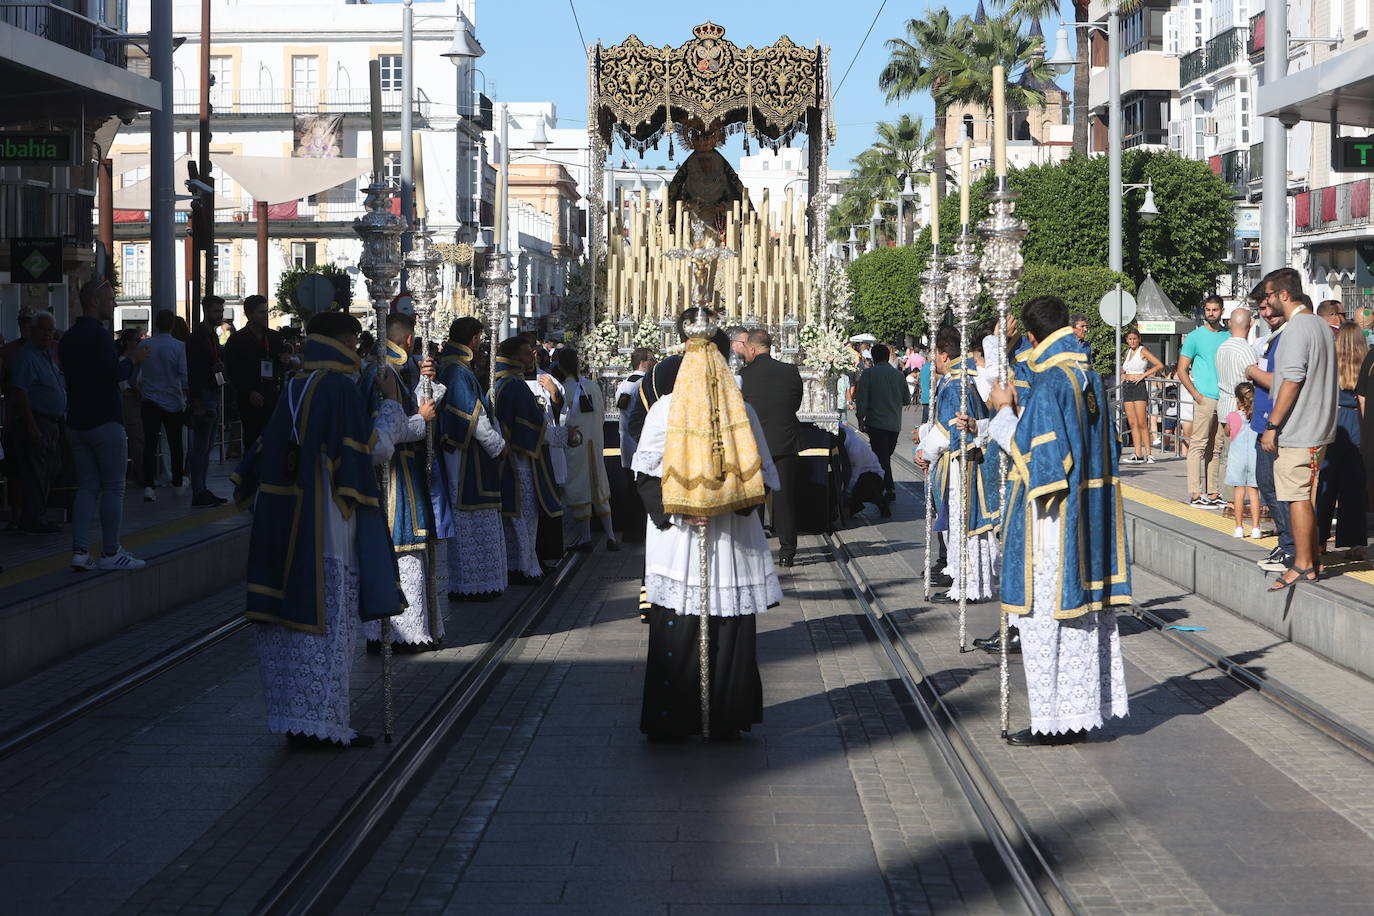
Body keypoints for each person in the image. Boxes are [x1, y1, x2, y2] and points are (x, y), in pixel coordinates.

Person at [234, 310, 402, 748]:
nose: (357, 349)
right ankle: (325, 727)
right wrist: (392, 406)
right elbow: (374, 452)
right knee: (328, 627)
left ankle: (296, 721)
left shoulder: (293, 386)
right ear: (342, 341)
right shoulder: (338, 389)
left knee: (289, 628)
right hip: (326, 527)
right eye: (354, 341)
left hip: (282, 522)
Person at [985, 295, 1130, 746]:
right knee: (1080, 621)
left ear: (1032, 336)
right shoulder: (1087, 373)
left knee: (1046, 619)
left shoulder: (1051, 381)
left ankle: (1054, 722)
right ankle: (1079, 714)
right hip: (1088, 514)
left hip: (1054, 522)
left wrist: (1003, 413)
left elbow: (1041, 459)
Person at [633, 308, 779, 742]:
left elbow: (760, 477)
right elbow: (645, 475)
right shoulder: (667, 411)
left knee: (721, 623)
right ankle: (683, 715)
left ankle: (722, 713)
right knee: (688, 622)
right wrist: (681, 508)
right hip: (688, 537)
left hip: (720, 538)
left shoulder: (738, 412)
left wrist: (717, 505)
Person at [360, 313, 444, 652]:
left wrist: (430, 389)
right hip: (391, 479)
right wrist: (421, 421)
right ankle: (401, 634)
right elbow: (385, 431)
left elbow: (413, 404)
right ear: (409, 340)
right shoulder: (384, 372)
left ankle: (407, 630)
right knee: (402, 549)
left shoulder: (389, 369)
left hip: (399, 474)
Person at [59, 279, 148, 570]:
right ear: (95, 302)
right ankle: (111, 552)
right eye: (110, 299)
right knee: (113, 487)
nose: (114, 303)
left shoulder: (69, 337)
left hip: (76, 420)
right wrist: (132, 359)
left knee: (87, 486)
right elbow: (113, 374)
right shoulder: (99, 336)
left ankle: (80, 551)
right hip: (105, 421)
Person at [1259, 268, 1337, 590]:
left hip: (1298, 428)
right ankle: (1313, 559)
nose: (1266, 301)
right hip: (1319, 427)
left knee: (1296, 498)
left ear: (1284, 295)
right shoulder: (1320, 325)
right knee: (1306, 495)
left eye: (1269, 295)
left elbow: (1291, 380)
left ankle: (1303, 563)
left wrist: (1272, 425)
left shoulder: (1295, 330)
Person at [914, 326, 1000, 604]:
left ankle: (967, 585)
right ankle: (966, 580)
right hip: (966, 462)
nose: (933, 362)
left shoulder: (954, 384)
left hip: (960, 465)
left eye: (934, 355)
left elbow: (946, 430)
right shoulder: (962, 379)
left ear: (942, 354)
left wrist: (925, 453)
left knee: (962, 523)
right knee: (962, 524)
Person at [437, 317, 508, 602]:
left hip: (465, 456)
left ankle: (478, 581)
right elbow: (474, 416)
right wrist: (497, 445)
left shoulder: (455, 367)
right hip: (466, 460)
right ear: (475, 339)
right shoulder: (457, 371)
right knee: (472, 523)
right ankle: (473, 584)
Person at [493, 336, 569, 585]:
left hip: (514, 460)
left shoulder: (503, 382)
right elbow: (532, 428)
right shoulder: (514, 386)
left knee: (518, 518)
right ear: (515, 357)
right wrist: (567, 435)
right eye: (527, 353)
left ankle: (520, 564)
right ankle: (525, 567)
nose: (531, 357)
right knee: (523, 518)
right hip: (521, 462)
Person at [737, 328, 803, 567]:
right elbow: (796, 403)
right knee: (785, 501)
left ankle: (753, 551)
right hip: (784, 443)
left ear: (752, 349)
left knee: (754, 500)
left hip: (754, 446)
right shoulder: (790, 371)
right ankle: (787, 551)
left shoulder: (743, 376)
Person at [1245, 283, 1295, 573]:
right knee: (1268, 486)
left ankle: (1291, 547)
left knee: (1276, 488)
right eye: (1261, 309)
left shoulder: (1288, 337)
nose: (1265, 314)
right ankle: (1287, 543)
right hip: (1263, 422)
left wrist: (1252, 371)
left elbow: (1281, 381)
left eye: (1267, 307)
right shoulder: (1273, 338)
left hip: (1273, 425)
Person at [6, 310, 66, 534]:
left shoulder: (48, 354)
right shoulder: (26, 356)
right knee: (35, 472)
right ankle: (33, 518)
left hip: (52, 422)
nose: (47, 335)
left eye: (50, 331)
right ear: (32, 331)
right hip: (36, 421)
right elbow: (19, 392)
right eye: (42, 331)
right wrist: (31, 426)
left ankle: (37, 515)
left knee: (49, 469)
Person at [1315, 321, 1367, 560]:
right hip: (1358, 423)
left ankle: (1319, 540)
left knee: (1327, 484)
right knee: (1354, 487)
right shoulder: (1367, 365)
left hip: (1334, 423)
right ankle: (1355, 543)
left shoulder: (1330, 364)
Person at [556, 348, 617, 552]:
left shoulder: (563, 389)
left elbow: (562, 421)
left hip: (576, 445)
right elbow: (601, 415)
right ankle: (610, 536)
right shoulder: (592, 386)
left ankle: (586, 537)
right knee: (599, 485)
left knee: (580, 485)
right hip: (595, 441)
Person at [1178, 296, 1228, 506]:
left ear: (1222, 311)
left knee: (1216, 447)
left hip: (1224, 397)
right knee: (1198, 444)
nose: (1211, 313)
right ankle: (1195, 493)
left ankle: (1214, 493)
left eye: (1215, 310)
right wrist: (1196, 394)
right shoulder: (1195, 337)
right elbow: (1181, 370)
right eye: (1208, 310)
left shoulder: (1229, 335)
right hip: (1205, 397)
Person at [225, 294, 289, 453]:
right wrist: (248, 392)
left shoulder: (274, 337)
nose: (265, 315)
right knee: (252, 442)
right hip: (249, 400)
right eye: (261, 312)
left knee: (272, 443)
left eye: (266, 311)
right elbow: (233, 371)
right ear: (250, 314)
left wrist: (285, 360)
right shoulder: (236, 340)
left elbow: (280, 364)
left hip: (271, 396)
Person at [136, 309, 188, 503]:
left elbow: (139, 371)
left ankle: (149, 486)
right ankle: (177, 481)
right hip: (172, 401)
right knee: (175, 444)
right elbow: (183, 376)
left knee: (150, 443)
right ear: (172, 324)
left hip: (149, 400)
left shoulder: (145, 344)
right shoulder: (179, 346)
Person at [853, 343, 910, 502]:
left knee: (882, 457)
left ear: (874, 358)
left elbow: (862, 400)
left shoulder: (869, 374)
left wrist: (860, 418)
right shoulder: (898, 375)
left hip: (876, 423)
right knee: (885, 456)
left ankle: (887, 488)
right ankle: (885, 487)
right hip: (894, 424)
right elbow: (906, 400)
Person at [186, 295, 228, 507]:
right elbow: (193, 371)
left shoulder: (212, 336)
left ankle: (201, 489)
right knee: (201, 446)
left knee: (206, 445)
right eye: (215, 311)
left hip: (212, 391)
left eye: (220, 311)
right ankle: (198, 490)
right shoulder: (198, 338)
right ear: (205, 311)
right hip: (204, 394)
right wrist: (197, 402)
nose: (219, 315)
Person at [1225, 382, 1263, 540]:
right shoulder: (1258, 416)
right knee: (1254, 493)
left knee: (1238, 493)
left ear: (1237, 400)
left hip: (1237, 459)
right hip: (1255, 457)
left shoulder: (1233, 417)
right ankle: (1256, 528)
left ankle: (1239, 527)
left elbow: (1228, 433)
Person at [1119, 329, 1163, 464]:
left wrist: (1143, 375)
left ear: (1138, 339)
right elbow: (1125, 368)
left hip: (1138, 386)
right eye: (1129, 339)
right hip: (1127, 386)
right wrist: (1123, 374)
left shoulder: (1142, 351)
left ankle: (1149, 453)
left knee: (1142, 422)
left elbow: (1159, 365)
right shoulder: (1128, 352)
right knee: (1132, 422)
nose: (1132, 341)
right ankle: (1138, 454)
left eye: (1134, 339)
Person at [838, 421, 890, 518]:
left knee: (860, 489)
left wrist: (846, 494)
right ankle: (850, 507)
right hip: (855, 472)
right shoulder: (845, 433)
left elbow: (854, 475)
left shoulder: (854, 449)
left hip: (872, 476)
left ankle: (880, 501)